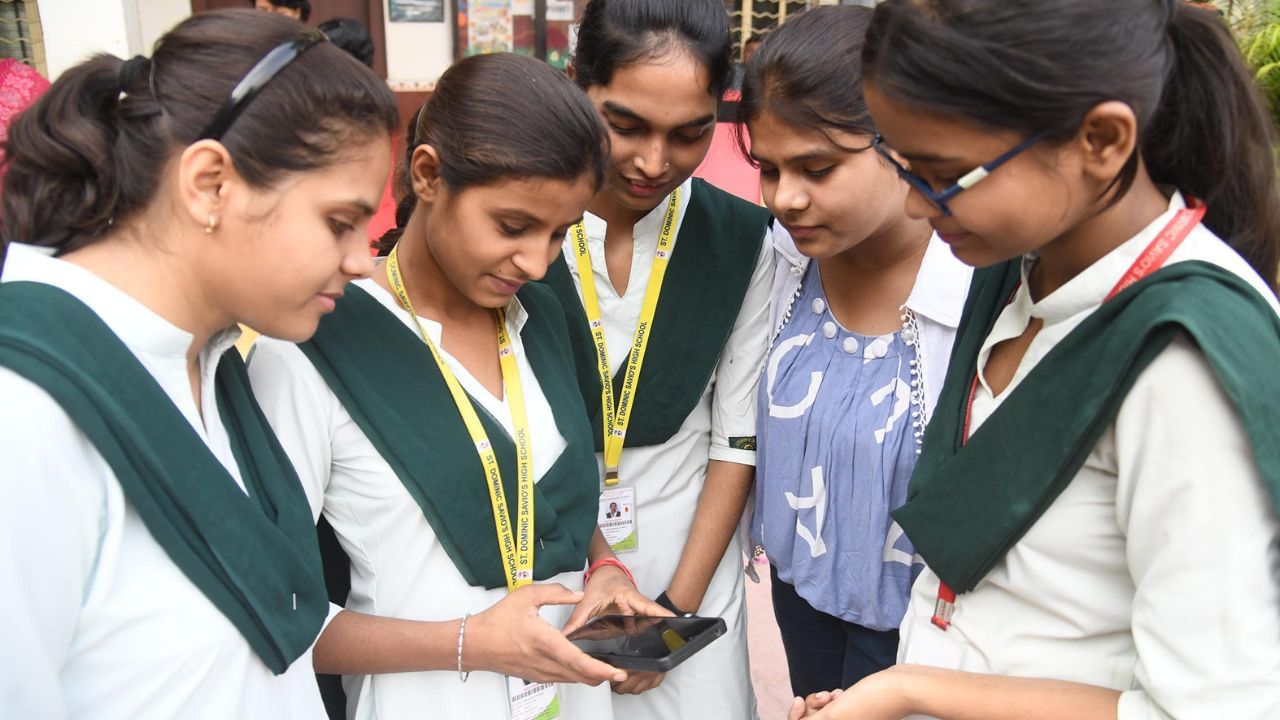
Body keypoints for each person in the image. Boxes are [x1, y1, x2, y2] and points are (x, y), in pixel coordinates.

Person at [790, 1, 1280, 718]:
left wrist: (911, 689)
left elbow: (1209, 707)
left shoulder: (1182, 359)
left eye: (945, 175)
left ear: (1102, 140)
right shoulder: (1023, 268)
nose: (921, 208)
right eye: (902, 165)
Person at [0, 10, 397, 719]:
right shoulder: (25, 407)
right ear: (211, 183)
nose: (362, 261)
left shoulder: (219, 363)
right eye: (340, 222)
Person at [247, 52, 667, 720]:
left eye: (560, 234)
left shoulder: (542, 317)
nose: (535, 262)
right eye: (512, 226)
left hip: (573, 699)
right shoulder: (310, 346)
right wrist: (471, 642)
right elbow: (274, 614)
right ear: (428, 174)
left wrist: (605, 571)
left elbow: (548, 497)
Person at [544, 0, 775, 717]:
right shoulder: (523, 223)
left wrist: (674, 616)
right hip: (548, 557)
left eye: (689, 134)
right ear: (578, 86)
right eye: (626, 125)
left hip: (690, 565)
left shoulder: (742, 238)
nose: (653, 161)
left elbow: (736, 439)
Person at [735, 5, 971, 699]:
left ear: (902, 140)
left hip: (923, 631)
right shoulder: (782, 262)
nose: (787, 197)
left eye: (817, 167)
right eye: (769, 169)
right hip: (800, 592)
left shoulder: (973, 285)